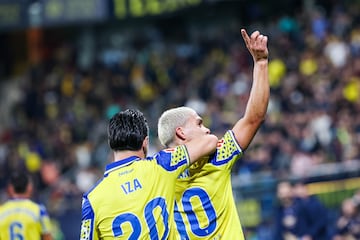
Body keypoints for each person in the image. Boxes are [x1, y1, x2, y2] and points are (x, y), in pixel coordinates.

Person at [157, 28, 269, 239]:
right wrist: (261, 63)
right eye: (199, 124)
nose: (207, 129)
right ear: (180, 132)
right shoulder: (218, 155)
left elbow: (253, 118)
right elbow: (254, 118)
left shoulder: (154, 174)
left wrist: (261, 64)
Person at [80, 109, 218, 239]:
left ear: (112, 143)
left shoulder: (91, 199)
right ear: (145, 143)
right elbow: (209, 141)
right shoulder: (162, 165)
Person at [0, 171, 53, 240]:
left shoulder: (1, 212)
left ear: (10, 188)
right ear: (29, 188)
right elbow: (47, 237)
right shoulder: (39, 210)